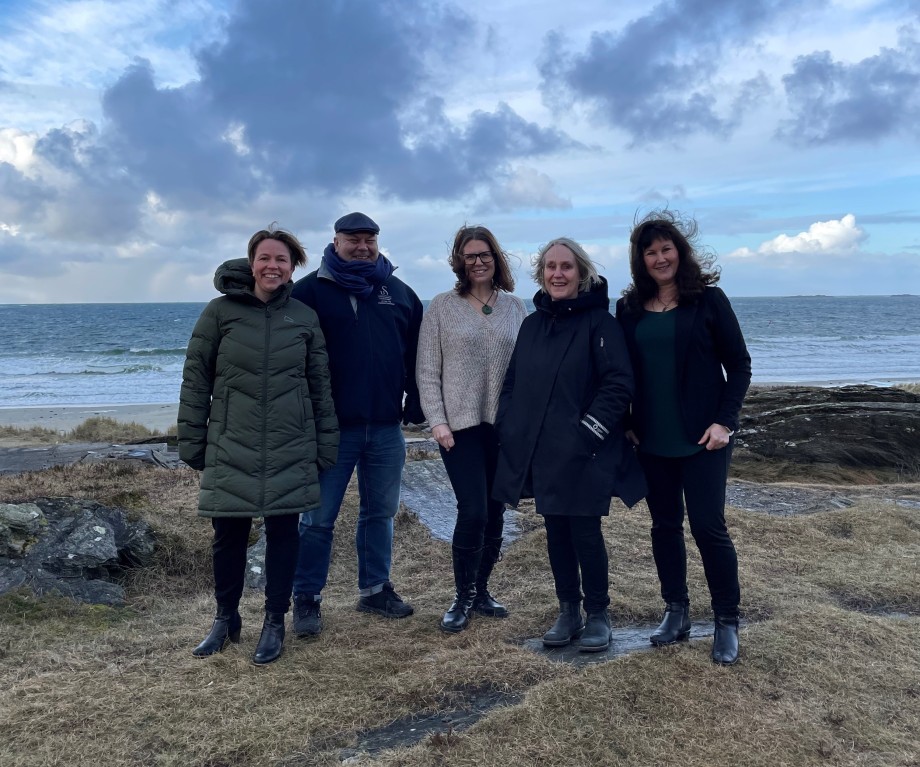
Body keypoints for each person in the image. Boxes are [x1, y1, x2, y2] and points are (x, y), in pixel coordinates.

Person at [178, 226, 338, 665]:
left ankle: (274, 620)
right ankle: (224, 618)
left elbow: (320, 387)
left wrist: (327, 444)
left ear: (293, 267)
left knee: (284, 534)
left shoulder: (303, 317)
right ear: (252, 263)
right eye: (265, 258)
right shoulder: (219, 313)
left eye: (282, 260)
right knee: (228, 534)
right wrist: (192, 439)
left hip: (290, 443)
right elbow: (196, 380)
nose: (273, 266)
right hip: (232, 440)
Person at [493, 238, 646, 653]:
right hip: (541, 450)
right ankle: (568, 610)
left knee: (584, 531)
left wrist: (588, 431)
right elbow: (512, 383)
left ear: (581, 273)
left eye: (566, 267)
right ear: (541, 274)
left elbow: (619, 383)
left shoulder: (601, 324)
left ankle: (598, 614)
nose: (557, 274)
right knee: (555, 531)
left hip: (585, 449)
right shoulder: (532, 324)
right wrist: (508, 424)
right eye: (549, 267)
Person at [616, 210, 751, 665]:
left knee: (709, 527)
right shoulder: (629, 308)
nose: (659, 258)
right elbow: (623, 373)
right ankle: (676, 611)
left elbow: (740, 366)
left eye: (666, 248)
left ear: (680, 251)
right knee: (664, 526)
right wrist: (626, 422)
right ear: (641, 259)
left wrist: (724, 422)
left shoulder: (709, 300)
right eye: (650, 251)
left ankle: (726, 622)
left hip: (704, 438)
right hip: (652, 439)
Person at [290, 212, 425, 636]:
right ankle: (306, 598)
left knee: (380, 513)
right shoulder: (308, 292)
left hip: (386, 427)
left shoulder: (398, 293)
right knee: (317, 518)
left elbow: (417, 355)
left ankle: (374, 590)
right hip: (331, 429)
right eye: (354, 239)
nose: (363, 247)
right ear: (335, 241)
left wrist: (416, 401)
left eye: (369, 239)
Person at [416, 225, 528, 632]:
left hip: (503, 427)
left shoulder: (515, 307)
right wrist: (438, 422)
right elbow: (427, 370)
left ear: (496, 259)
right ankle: (461, 596)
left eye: (485, 255)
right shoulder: (443, 306)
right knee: (474, 510)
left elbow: (527, 369)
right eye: (470, 256)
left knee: (496, 510)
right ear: (460, 262)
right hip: (458, 429)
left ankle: (482, 591)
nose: (478, 262)